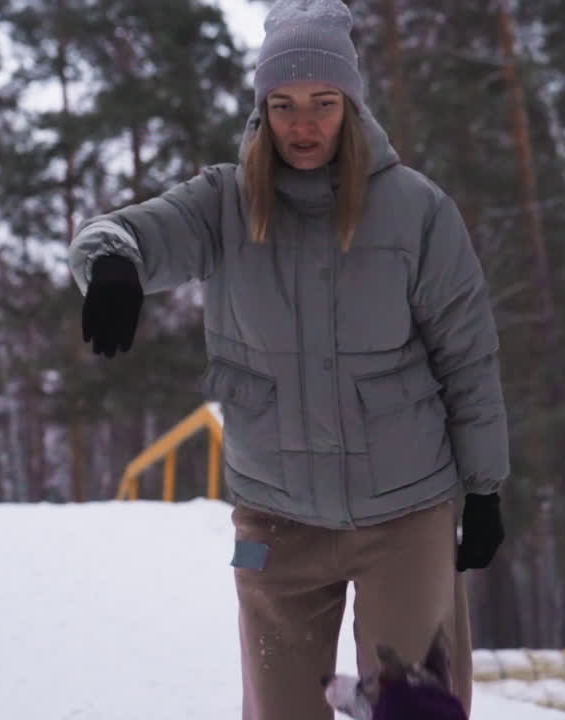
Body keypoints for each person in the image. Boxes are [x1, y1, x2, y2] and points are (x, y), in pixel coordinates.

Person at [68, 1, 509, 718]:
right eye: (283, 104)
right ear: (262, 111)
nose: (303, 124)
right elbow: (120, 233)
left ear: (353, 106)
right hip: (273, 522)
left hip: (405, 513)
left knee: (415, 709)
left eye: (323, 103)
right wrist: (111, 265)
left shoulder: (417, 212)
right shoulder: (224, 204)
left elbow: (469, 357)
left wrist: (485, 487)